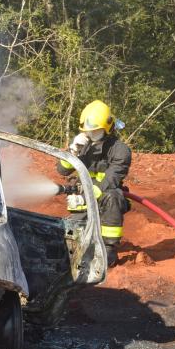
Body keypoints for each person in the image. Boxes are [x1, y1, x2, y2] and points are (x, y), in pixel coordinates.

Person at [57, 99, 131, 267]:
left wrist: (90, 195)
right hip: (83, 199)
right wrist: (72, 151)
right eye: (88, 132)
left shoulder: (120, 150)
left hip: (106, 198)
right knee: (70, 237)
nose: (91, 136)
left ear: (108, 128)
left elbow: (112, 178)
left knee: (114, 195)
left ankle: (109, 249)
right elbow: (62, 170)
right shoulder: (82, 145)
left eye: (96, 132)